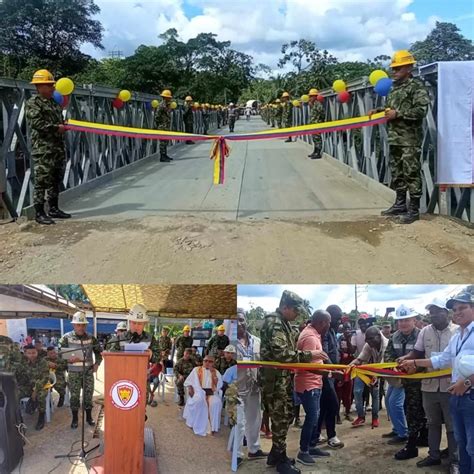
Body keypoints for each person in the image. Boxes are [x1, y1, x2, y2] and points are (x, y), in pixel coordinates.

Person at [400, 292, 474, 474]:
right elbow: (441, 359)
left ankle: (459, 464)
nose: (457, 312)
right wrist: (414, 362)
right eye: (455, 309)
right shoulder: (458, 336)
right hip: (453, 394)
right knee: (462, 440)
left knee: (471, 445)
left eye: (462, 308)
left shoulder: (462, 332)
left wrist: (465, 383)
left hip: (468, 394)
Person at [260, 290, 321, 474]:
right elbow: (282, 355)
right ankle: (281, 462)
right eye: (295, 310)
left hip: (282, 378)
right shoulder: (274, 322)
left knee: (285, 416)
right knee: (280, 417)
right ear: (285, 307)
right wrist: (310, 355)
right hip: (274, 380)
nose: (297, 314)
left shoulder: (284, 322)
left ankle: (276, 454)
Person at [368, 50, 430, 224]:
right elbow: (390, 109)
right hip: (395, 138)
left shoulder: (416, 87)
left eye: (398, 68)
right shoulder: (394, 88)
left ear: (409, 67)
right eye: (393, 68)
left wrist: (399, 114)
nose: (394, 71)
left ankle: (414, 210)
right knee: (397, 172)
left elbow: (421, 111)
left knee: (411, 172)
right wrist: (379, 111)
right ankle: (400, 204)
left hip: (410, 140)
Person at [26, 69, 70, 225]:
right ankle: (39, 212)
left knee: (56, 179)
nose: (52, 88)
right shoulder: (33, 103)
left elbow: (59, 121)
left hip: (57, 147)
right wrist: (56, 128)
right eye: (49, 85)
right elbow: (37, 124)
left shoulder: (53, 103)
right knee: (42, 180)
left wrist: (64, 125)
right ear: (39, 87)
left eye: (52, 85)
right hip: (43, 149)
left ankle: (53, 208)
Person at [385, 305, 426, 460]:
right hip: (405, 382)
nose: (403, 323)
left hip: (422, 380)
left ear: (414, 320)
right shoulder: (394, 337)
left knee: (422, 412)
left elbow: (425, 355)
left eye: (407, 320)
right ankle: (413, 443)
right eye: (400, 320)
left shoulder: (422, 335)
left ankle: (418, 441)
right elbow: (388, 356)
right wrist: (393, 368)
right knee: (412, 411)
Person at [294, 310, 333, 466]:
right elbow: (307, 366)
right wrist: (330, 374)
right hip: (308, 384)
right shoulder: (310, 337)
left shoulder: (312, 333)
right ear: (322, 322)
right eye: (328, 322)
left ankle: (311, 446)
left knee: (315, 417)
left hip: (314, 383)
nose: (329, 325)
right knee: (311, 418)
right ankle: (303, 452)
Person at [59, 311, 102, 429]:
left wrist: (97, 364)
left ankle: (88, 417)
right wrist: (68, 361)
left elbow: (99, 352)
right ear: (73, 325)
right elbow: (59, 355)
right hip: (73, 373)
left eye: (83, 325)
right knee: (74, 396)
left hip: (88, 372)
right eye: (78, 324)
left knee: (88, 396)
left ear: (86, 325)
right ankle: (75, 419)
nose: (81, 327)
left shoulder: (91, 338)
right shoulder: (66, 338)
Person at [236, 308, 267, 466]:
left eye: (242, 319)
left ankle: (254, 449)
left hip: (254, 387)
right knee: (239, 422)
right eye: (236, 320)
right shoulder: (230, 343)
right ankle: (237, 454)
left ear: (246, 321)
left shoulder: (257, 341)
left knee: (255, 419)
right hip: (237, 389)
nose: (240, 323)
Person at [313, 305, 345, 450]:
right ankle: (331, 436)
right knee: (333, 405)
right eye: (337, 319)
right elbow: (324, 354)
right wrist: (334, 370)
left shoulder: (331, 331)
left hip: (330, 373)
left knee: (324, 406)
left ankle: (316, 434)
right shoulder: (324, 333)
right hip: (326, 374)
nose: (340, 322)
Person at [350, 326, 389, 428]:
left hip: (380, 371)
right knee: (357, 391)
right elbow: (360, 359)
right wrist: (349, 366)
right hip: (365, 369)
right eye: (367, 339)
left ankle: (375, 418)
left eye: (371, 339)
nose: (369, 342)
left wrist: (375, 376)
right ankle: (361, 416)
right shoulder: (369, 344)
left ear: (378, 336)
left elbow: (382, 364)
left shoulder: (387, 345)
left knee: (375, 394)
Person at [183, 354, 223, 436]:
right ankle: (194, 423)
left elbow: (218, 385)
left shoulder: (216, 372)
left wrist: (213, 374)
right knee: (198, 401)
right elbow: (189, 381)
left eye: (210, 361)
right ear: (203, 361)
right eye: (206, 361)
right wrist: (190, 388)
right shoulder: (196, 369)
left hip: (211, 393)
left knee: (216, 402)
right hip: (198, 392)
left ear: (213, 363)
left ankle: (213, 426)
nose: (207, 363)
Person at [14, 344, 50, 430]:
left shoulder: (43, 362)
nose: (32, 355)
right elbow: (17, 377)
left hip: (40, 386)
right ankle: (18, 419)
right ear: (25, 353)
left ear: (37, 352)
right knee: (14, 395)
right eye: (29, 353)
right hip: (26, 386)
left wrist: (36, 390)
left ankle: (41, 416)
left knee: (40, 396)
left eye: (34, 352)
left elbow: (45, 378)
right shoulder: (21, 363)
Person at [335, 323, 355, 422]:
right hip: (339, 370)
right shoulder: (338, 339)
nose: (347, 330)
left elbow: (352, 351)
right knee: (338, 393)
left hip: (350, 370)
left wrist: (348, 339)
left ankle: (347, 413)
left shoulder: (352, 339)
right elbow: (337, 353)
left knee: (348, 394)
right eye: (345, 328)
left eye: (348, 328)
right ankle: (337, 416)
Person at [155, 89, 173, 162]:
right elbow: (157, 116)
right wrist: (160, 125)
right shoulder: (161, 105)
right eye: (168, 97)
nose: (170, 99)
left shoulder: (167, 105)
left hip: (166, 126)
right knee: (162, 142)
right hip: (162, 126)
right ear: (165, 97)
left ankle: (165, 154)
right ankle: (162, 157)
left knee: (165, 141)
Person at [307, 89, 324, 159]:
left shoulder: (318, 104)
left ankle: (318, 153)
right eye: (310, 96)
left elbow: (322, 113)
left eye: (311, 96)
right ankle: (315, 151)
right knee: (314, 138)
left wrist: (320, 121)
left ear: (315, 96)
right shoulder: (313, 104)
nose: (310, 98)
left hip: (317, 124)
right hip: (313, 124)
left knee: (317, 138)